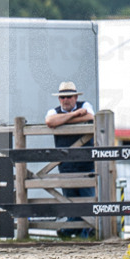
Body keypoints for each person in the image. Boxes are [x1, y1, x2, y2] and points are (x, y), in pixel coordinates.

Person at [45, 81, 95, 237]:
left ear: (75, 97)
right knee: (70, 201)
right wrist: (74, 115)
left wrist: (64, 120)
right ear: (59, 99)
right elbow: (50, 121)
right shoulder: (53, 111)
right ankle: (77, 231)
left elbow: (91, 116)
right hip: (65, 164)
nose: (65, 100)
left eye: (69, 96)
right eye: (62, 97)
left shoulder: (85, 104)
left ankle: (72, 231)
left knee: (86, 200)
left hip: (85, 164)